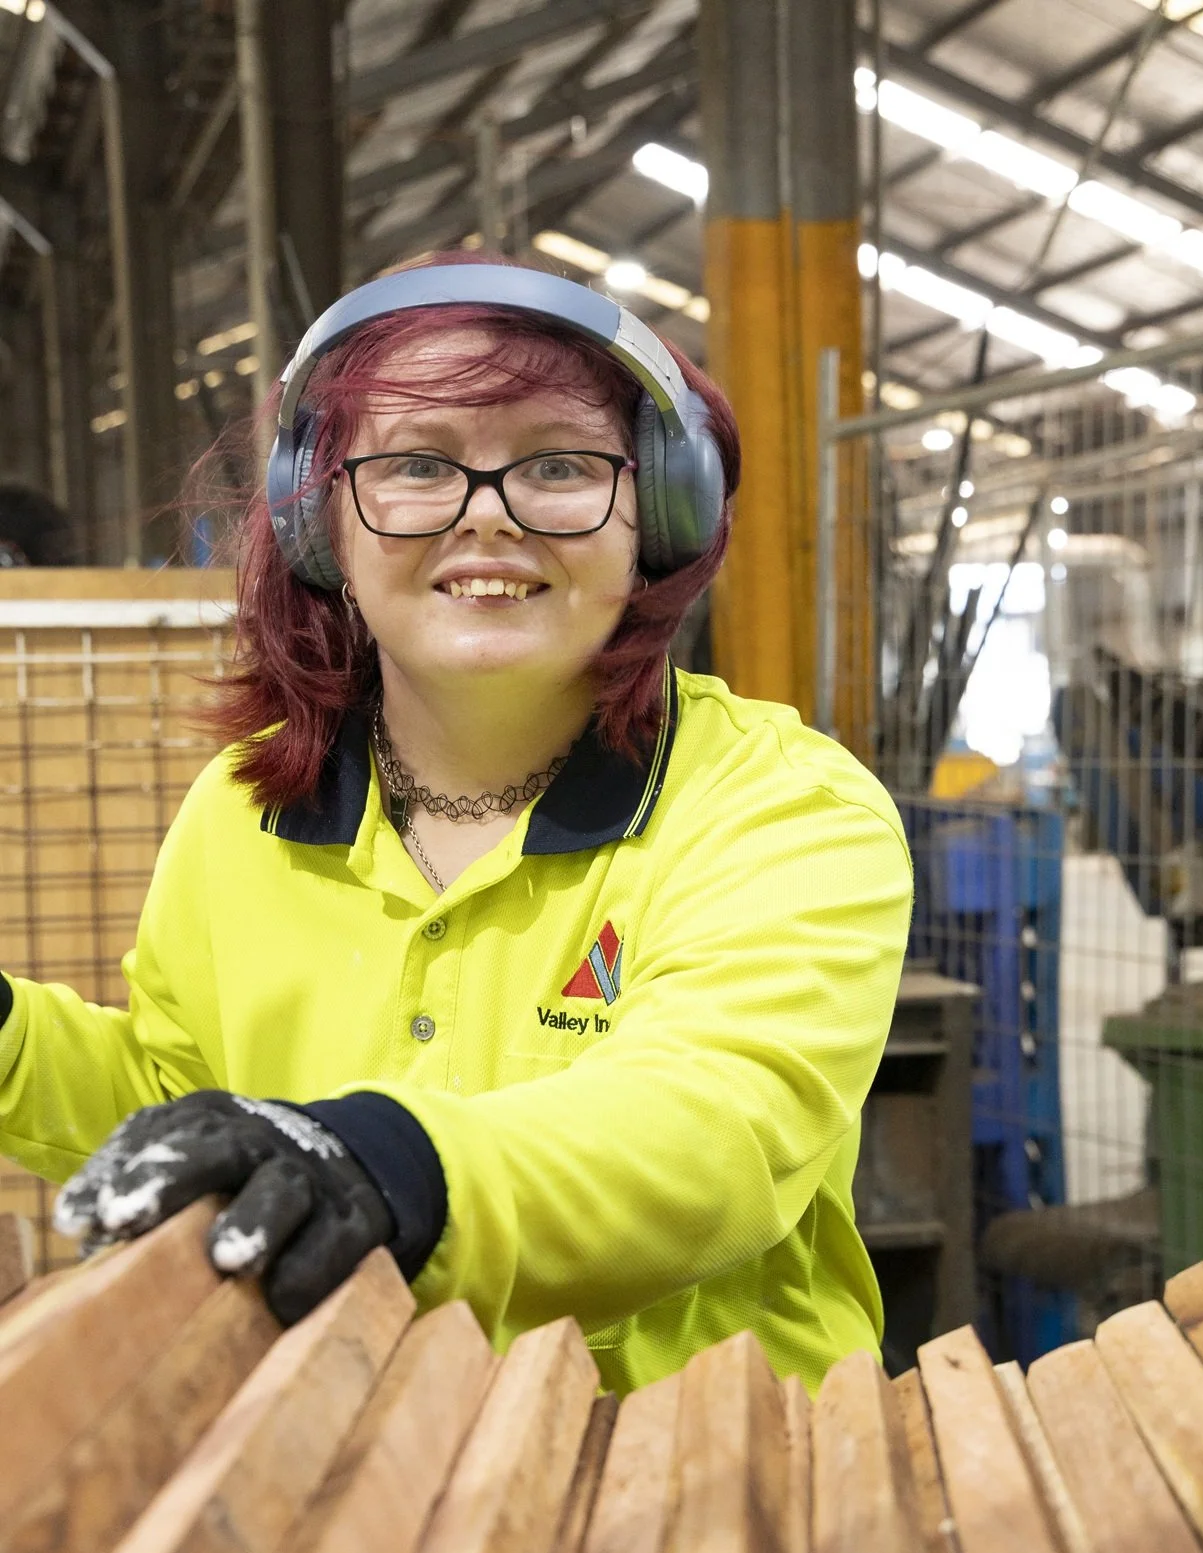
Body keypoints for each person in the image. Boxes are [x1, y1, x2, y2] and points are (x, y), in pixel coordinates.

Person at [0, 256, 912, 1397]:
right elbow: (187, 1102)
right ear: (315, 518)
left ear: (659, 515)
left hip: (709, 1488)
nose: (488, 521)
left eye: (560, 464)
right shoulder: (246, 810)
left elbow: (710, 1128)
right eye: (419, 464)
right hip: (351, 1460)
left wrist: (391, 1169)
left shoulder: (782, 810)